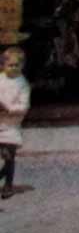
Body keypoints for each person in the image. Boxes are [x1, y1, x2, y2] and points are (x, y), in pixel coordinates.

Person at [0, 45, 29, 201]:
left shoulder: (22, 84)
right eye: (10, 65)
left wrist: (9, 108)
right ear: (3, 65)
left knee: (9, 157)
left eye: (16, 65)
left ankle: (8, 185)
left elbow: (23, 106)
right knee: (6, 155)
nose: (13, 68)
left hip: (11, 125)